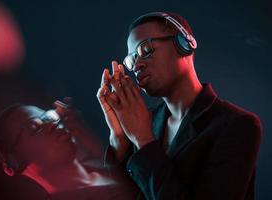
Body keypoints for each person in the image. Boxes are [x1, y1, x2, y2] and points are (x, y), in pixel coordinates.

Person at [96, 12, 262, 200]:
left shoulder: (238, 125)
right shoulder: (143, 122)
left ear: (183, 44)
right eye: (131, 60)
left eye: (144, 50)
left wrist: (144, 141)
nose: (137, 65)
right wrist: (119, 141)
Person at [0, 100, 137, 200]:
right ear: (13, 164)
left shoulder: (102, 164)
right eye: (34, 128)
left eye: (48, 117)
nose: (52, 125)